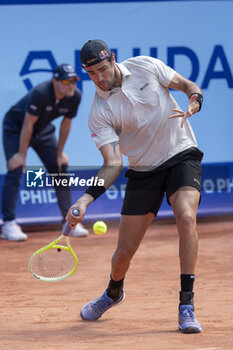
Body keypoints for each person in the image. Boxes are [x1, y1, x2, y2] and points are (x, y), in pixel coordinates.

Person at [66, 40, 204, 333]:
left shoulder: (145, 66)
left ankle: (186, 305)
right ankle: (113, 292)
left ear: (113, 59)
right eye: (92, 74)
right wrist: (86, 200)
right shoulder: (99, 111)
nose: (100, 78)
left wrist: (195, 99)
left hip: (180, 153)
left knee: (186, 215)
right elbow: (113, 162)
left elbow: (185, 84)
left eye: (102, 69)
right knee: (124, 253)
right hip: (143, 171)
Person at [1, 64, 88, 241]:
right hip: (17, 128)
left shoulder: (74, 96)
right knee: (15, 168)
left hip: (43, 130)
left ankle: (70, 221)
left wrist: (59, 153)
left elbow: (66, 124)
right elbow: (28, 124)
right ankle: (8, 223)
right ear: (55, 81)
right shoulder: (41, 93)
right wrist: (21, 155)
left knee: (60, 168)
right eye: (66, 81)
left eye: (74, 81)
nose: (71, 85)